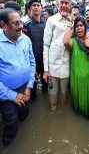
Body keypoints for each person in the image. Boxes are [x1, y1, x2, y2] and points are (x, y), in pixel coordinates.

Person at [0, 8, 35, 145]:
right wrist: (12, 96)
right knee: (11, 122)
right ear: (3, 25)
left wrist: (29, 86)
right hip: (5, 93)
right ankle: (7, 142)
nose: (21, 26)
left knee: (24, 113)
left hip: (25, 88)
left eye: (21, 22)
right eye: (16, 23)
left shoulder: (25, 40)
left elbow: (32, 62)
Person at [63, 16, 89, 118]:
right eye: (77, 26)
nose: (79, 28)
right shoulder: (73, 42)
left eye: (81, 26)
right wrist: (70, 23)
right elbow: (65, 42)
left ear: (85, 27)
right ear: (74, 29)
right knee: (78, 108)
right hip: (76, 79)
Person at [43, 0, 72, 112]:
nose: (64, 6)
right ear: (58, 3)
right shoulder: (51, 20)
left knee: (65, 97)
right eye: (62, 3)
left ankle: (63, 119)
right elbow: (46, 45)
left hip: (67, 67)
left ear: (70, 4)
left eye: (66, 3)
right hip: (53, 68)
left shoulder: (74, 22)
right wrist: (46, 69)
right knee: (52, 97)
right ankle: (53, 115)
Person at [24, 0, 47, 99]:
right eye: (34, 5)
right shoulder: (26, 25)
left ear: (41, 8)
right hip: (33, 59)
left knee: (46, 83)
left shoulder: (46, 24)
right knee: (33, 84)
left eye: (38, 5)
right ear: (30, 8)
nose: (36, 7)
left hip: (45, 58)